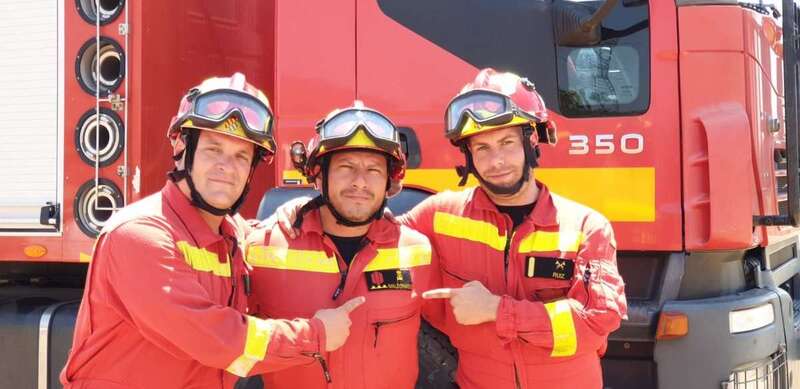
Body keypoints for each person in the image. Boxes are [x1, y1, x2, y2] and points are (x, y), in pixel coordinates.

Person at [276, 69, 627, 389]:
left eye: (507, 143)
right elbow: (369, 229)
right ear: (468, 156)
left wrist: (495, 311)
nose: (497, 161)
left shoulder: (585, 226)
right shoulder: (440, 214)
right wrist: (305, 210)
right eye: (482, 148)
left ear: (531, 142)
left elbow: (598, 320)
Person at [60, 73, 358, 389]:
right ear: (180, 146)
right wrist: (317, 334)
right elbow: (216, 340)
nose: (226, 167)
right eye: (213, 149)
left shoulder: (232, 236)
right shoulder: (139, 235)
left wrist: (298, 210)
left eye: (241, 156)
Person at [245, 102, 439, 389]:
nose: (360, 182)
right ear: (319, 177)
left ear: (390, 182)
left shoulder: (418, 251)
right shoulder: (261, 247)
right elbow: (227, 345)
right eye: (346, 167)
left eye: (373, 169)